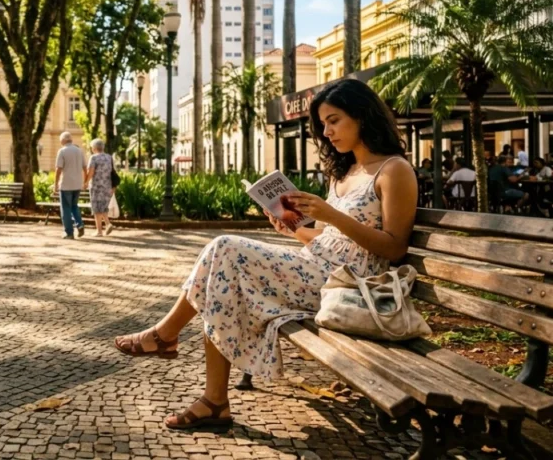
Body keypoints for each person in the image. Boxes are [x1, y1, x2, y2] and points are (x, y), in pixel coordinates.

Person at [113, 78, 418, 431]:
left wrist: (331, 214)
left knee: (225, 249)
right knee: (222, 273)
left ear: (362, 116)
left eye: (333, 120)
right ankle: (211, 398)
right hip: (315, 270)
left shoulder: (394, 170)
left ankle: (170, 342)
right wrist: (293, 227)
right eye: (323, 124)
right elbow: (330, 239)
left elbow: (394, 246)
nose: (327, 131)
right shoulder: (345, 173)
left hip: (348, 286)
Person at [54, 131, 86, 239]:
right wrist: (84, 181)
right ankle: (80, 224)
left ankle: (69, 232)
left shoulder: (62, 151)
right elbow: (85, 167)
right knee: (74, 206)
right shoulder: (79, 151)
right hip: (77, 184)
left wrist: (55, 184)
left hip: (66, 184)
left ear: (63, 140)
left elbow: (58, 169)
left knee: (66, 209)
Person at [84, 138, 115, 237]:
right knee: (103, 206)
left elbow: (91, 171)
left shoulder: (94, 158)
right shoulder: (109, 157)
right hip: (107, 185)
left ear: (94, 148)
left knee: (97, 208)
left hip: (96, 186)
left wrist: (86, 182)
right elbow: (112, 172)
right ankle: (107, 224)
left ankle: (99, 231)